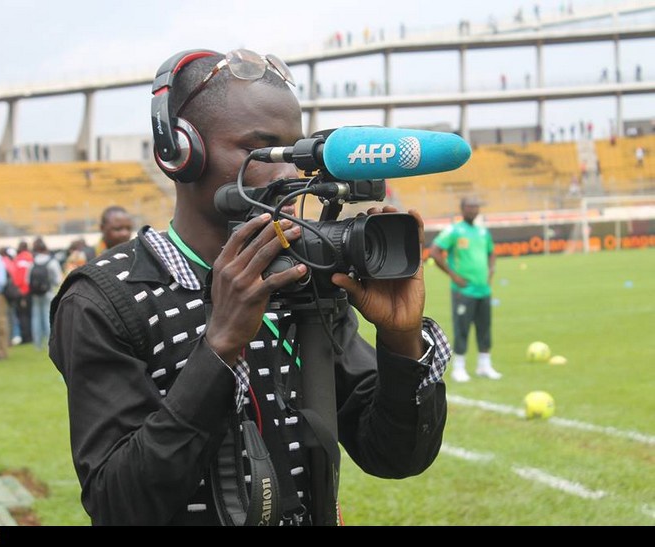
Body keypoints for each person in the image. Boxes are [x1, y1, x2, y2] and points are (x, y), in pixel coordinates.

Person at [49, 47, 449, 526]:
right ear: (180, 153)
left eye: (292, 152)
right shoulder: (104, 297)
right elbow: (118, 505)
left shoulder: (306, 275)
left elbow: (395, 455)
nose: (286, 174)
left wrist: (401, 343)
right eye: (259, 151)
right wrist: (218, 347)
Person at [430, 196, 500, 383]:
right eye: (470, 207)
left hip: (483, 289)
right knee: (462, 327)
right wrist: (453, 275)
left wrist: (491, 270)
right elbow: (434, 251)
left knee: (484, 328)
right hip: (463, 290)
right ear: (462, 209)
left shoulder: (483, 232)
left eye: (476, 206)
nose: (473, 210)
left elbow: (491, 253)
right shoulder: (454, 230)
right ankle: (459, 368)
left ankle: (484, 365)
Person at [27, 237, 63, 351]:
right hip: (48, 292)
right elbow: (58, 279)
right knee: (48, 316)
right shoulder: (51, 262)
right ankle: (50, 342)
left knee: (36, 317)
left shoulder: (32, 262)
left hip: (35, 293)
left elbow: (27, 279)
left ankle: (37, 344)